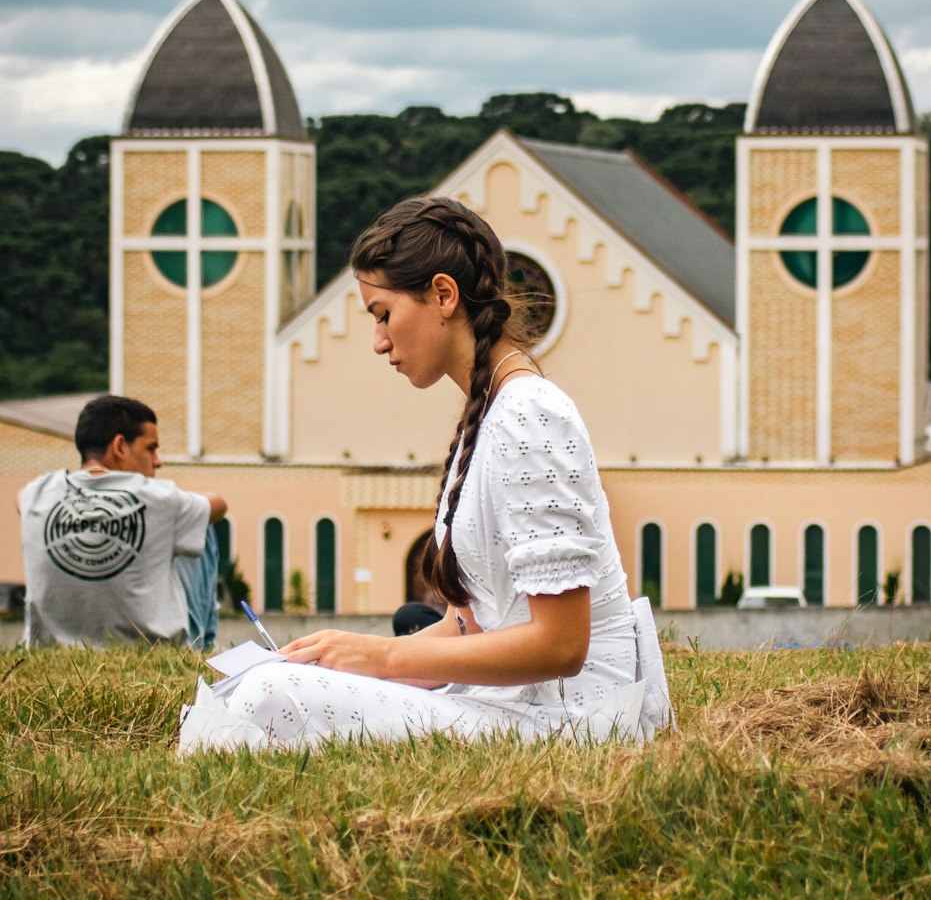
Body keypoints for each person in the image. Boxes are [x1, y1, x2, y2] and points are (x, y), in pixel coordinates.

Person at [179, 197, 673, 751]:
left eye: (384, 314)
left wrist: (383, 655)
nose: (379, 341)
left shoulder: (530, 415)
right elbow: (470, 627)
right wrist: (346, 658)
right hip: (502, 703)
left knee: (266, 697)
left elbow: (561, 646)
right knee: (274, 684)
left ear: (443, 295)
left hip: (571, 723)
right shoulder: (487, 415)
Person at [19, 394, 228, 649]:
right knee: (199, 522)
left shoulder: (35, 493)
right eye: (150, 448)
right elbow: (219, 505)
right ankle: (203, 647)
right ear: (119, 446)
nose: (157, 461)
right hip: (151, 646)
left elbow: (20, 505)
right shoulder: (158, 498)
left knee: (184, 524)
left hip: (55, 648)